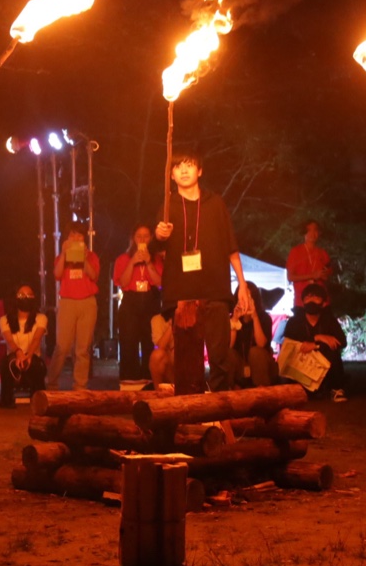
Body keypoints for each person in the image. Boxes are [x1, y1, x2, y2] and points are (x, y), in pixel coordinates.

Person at [155, 151, 253, 395]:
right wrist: (159, 235)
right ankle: (189, 407)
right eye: (178, 166)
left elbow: (231, 247)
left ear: (199, 171)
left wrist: (242, 285)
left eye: (189, 165)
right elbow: (157, 245)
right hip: (182, 293)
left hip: (214, 289)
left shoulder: (215, 203)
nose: (184, 170)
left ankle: (218, 409)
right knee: (187, 358)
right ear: (171, 175)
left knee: (220, 356)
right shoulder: (168, 205)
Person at [51, 222, 100, 390]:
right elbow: (57, 274)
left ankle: (80, 385)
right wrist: (64, 254)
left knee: (83, 349)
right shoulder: (61, 257)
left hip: (87, 302)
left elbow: (94, 276)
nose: (76, 238)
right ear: (67, 238)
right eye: (72, 235)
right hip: (67, 302)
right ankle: (52, 382)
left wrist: (84, 258)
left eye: (79, 235)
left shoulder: (91, 256)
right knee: (62, 346)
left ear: (84, 238)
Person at [282, 282, 348, 400]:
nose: (311, 301)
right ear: (302, 302)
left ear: (324, 303)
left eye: (316, 297)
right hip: (300, 366)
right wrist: (318, 338)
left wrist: (316, 345)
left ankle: (336, 389)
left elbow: (341, 342)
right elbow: (289, 343)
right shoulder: (294, 322)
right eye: (308, 297)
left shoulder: (329, 320)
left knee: (332, 350)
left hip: (322, 364)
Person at [114, 225, 163, 382]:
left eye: (146, 236)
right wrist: (133, 261)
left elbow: (159, 283)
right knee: (129, 343)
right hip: (130, 301)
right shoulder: (123, 259)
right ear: (133, 239)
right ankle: (129, 380)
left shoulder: (157, 259)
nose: (142, 240)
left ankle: (149, 380)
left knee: (149, 342)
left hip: (150, 299)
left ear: (151, 238)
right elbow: (122, 283)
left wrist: (148, 263)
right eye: (138, 236)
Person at [0, 283, 47, 407]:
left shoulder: (41, 318)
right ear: (15, 298)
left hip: (32, 357)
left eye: (29, 295)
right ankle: (6, 400)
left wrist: (28, 356)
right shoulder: (4, 320)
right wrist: (19, 353)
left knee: (37, 365)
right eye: (21, 295)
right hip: (13, 358)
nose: (25, 298)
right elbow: (9, 341)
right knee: (6, 363)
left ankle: (40, 400)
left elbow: (36, 339)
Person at [227, 281, 277, 387]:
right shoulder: (232, 319)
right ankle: (231, 388)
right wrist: (234, 319)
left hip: (262, 367)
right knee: (228, 354)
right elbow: (229, 346)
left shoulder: (264, 317)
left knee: (256, 352)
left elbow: (261, 344)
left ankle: (262, 390)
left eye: (248, 298)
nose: (245, 301)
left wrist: (254, 317)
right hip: (241, 365)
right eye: (242, 298)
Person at [286, 220, 332, 307]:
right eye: (309, 230)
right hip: (302, 302)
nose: (312, 233)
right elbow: (290, 277)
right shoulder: (295, 251)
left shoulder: (323, 253)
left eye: (315, 230)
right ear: (304, 232)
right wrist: (312, 275)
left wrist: (323, 275)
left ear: (319, 233)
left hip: (321, 301)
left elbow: (327, 276)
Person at [148, 311, 176, 388]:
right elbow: (157, 347)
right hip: (168, 366)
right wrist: (171, 327)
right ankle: (158, 391)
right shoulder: (157, 320)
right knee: (156, 356)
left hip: (182, 365)